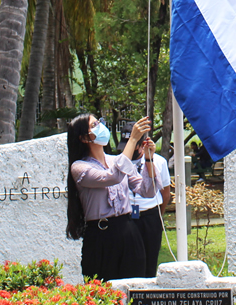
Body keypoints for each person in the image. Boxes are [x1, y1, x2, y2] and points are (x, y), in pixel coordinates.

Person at [65, 114, 157, 281]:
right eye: (94, 125)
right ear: (84, 138)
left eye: (99, 122)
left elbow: (147, 190)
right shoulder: (79, 167)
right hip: (100, 237)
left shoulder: (116, 160)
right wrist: (132, 140)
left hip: (128, 231)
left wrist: (149, 158)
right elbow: (112, 177)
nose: (101, 126)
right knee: (103, 291)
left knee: (133, 289)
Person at [130, 137, 172, 277]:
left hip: (150, 215)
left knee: (150, 261)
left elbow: (165, 194)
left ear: (142, 144)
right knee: (129, 261)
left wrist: (158, 215)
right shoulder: (120, 161)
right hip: (127, 216)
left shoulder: (159, 161)